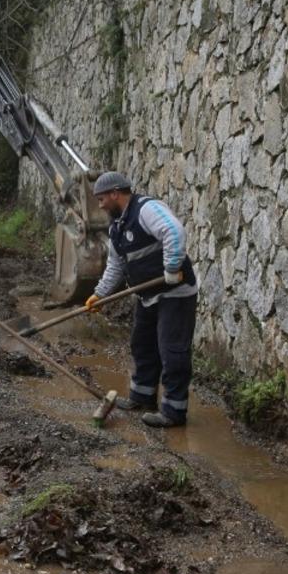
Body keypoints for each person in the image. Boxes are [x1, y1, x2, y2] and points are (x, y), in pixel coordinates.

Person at [84, 171, 198, 428]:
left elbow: (174, 231)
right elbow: (116, 265)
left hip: (175, 293)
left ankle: (173, 411)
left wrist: (171, 269)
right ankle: (143, 396)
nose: (100, 205)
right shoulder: (117, 227)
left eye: (102, 199)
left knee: (172, 350)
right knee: (142, 345)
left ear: (115, 193)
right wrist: (99, 294)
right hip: (148, 296)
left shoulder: (147, 209)